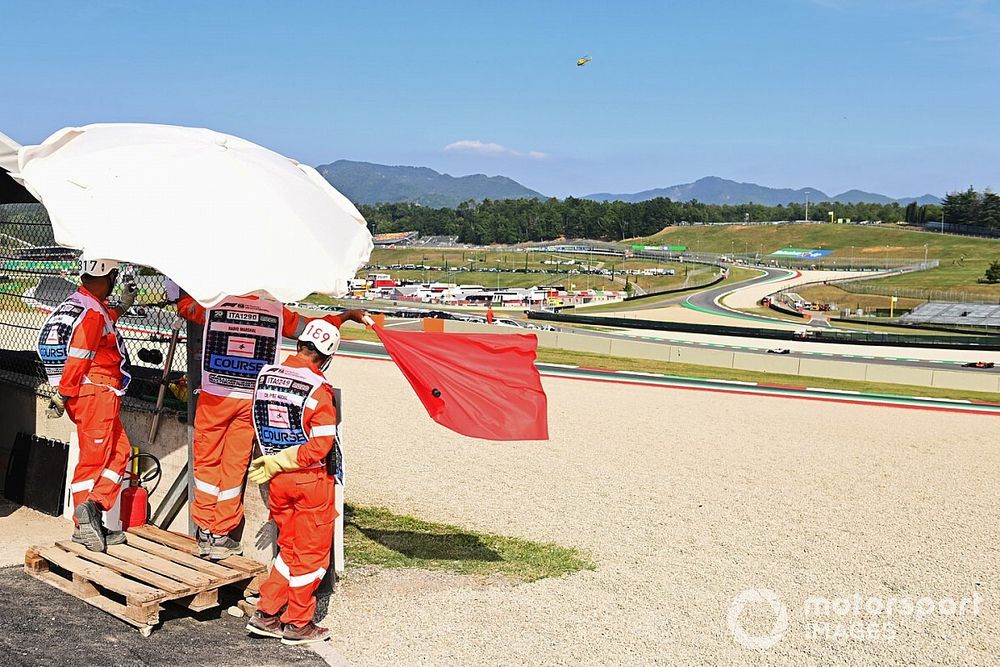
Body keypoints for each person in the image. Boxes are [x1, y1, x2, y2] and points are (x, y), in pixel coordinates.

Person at [175, 288, 366, 559]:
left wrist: (183, 291)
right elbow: (314, 330)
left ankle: (204, 529)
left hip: (214, 398)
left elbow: (185, 307)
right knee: (235, 466)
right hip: (250, 400)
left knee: (206, 463)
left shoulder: (213, 304)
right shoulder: (276, 311)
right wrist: (345, 316)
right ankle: (221, 534)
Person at [244, 319, 341, 645]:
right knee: (311, 557)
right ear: (326, 358)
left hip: (276, 478)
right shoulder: (319, 390)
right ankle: (299, 624)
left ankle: (266, 613)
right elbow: (321, 445)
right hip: (309, 479)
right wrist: (286, 460)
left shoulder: (266, 375)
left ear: (300, 344)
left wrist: (275, 461)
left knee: (288, 550)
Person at [37, 257, 138, 552]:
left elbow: (103, 324)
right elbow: (80, 356)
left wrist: (122, 307)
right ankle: (83, 524)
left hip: (92, 393)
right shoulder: (91, 313)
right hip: (95, 393)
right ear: (108, 276)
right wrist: (63, 393)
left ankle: (92, 510)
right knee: (93, 460)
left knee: (120, 452)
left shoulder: (80, 303)